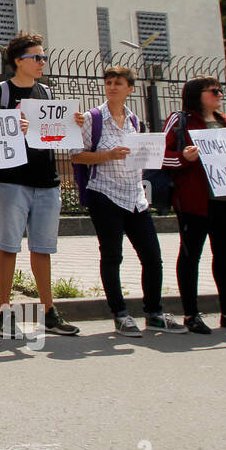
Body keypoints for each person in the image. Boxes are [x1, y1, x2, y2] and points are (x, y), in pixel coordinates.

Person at [72, 66, 185, 336]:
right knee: (112, 255)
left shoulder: (135, 121)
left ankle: (154, 312)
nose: (112, 87)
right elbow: (77, 155)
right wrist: (108, 155)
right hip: (105, 193)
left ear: (130, 89)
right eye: (109, 82)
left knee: (152, 257)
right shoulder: (92, 118)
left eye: (118, 83)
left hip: (135, 196)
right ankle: (120, 314)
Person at [0, 33, 81, 337]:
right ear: (17, 61)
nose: (41, 63)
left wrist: (72, 125)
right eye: (36, 57)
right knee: (8, 245)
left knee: (43, 248)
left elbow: (57, 133)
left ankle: (49, 311)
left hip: (47, 181)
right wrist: (12, 122)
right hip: (11, 181)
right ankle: (3, 308)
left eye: (43, 57)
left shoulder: (47, 93)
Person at [162, 77, 226, 334]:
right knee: (190, 256)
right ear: (197, 95)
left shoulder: (225, 121)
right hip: (195, 201)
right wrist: (184, 158)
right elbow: (161, 157)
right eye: (214, 91)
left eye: (220, 90)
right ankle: (191, 314)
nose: (219, 95)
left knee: (225, 256)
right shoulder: (180, 120)